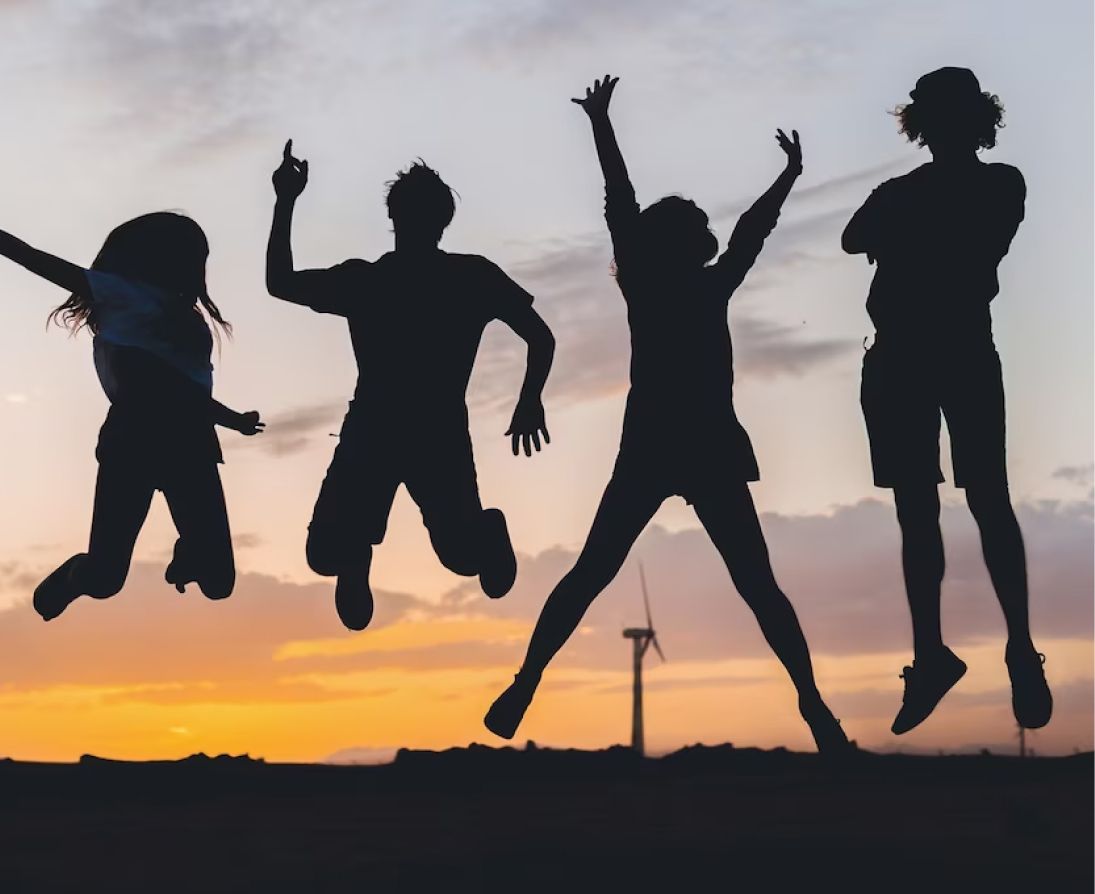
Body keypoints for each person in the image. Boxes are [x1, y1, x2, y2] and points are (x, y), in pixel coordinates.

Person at [485, 76, 851, 755]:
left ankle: (525, 682)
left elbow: (738, 227)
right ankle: (815, 710)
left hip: (668, 445)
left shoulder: (673, 284)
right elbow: (634, 205)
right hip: (683, 445)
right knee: (748, 586)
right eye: (699, 225)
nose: (712, 232)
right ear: (680, 240)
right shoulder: (685, 284)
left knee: (605, 573)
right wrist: (600, 125)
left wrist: (787, 177)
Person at [267, 143, 555, 631]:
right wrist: (528, 401)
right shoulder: (436, 277)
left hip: (422, 436)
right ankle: (357, 554)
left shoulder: (423, 278)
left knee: (458, 558)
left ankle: (484, 528)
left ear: (394, 217)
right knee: (333, 556)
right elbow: (541, 337)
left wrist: (286, 200)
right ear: (443, 220)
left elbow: (279, 281)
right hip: (384, 434)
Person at [842, 67, 1051, 734]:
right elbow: (853, 236)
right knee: (921, 509)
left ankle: (1017, 647)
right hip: (906, 355)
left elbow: (964, 245)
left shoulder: (994, 184)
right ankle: (933, 655)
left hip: (952, 350)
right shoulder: (912, 192)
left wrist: (900, 232)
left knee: (983, 499)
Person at [0, 212, 263, 620]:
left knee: (219, 584)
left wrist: (234, 420)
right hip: (133, 440)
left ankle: (189, 554)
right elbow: (35, 259)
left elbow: (185, 393)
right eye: (194, 257)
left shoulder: (192, 321)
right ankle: (74, 575)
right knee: (105, 580)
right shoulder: (120, 293)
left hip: (191, 443)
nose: (200, 269)